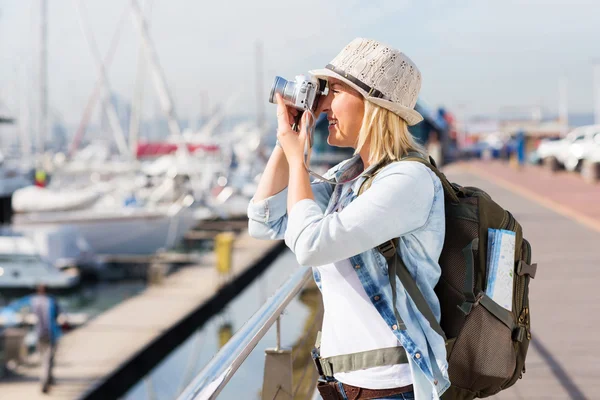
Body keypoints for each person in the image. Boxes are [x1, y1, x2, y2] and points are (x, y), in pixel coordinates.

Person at [248, 38, 448, 400]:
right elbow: (266, 221)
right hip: (339, 386)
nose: (324, 107)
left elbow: (310, 244)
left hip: (388, 389)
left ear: (372, 103)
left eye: (335, 91)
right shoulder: (350, 176)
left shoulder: (408, 181)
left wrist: (298, 160)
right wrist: (287, 141)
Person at [5, 285, 62, 393]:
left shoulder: (32, 300)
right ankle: (45, 382)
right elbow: (58, 315)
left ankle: (49, 379)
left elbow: (15, 307)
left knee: (44, 358)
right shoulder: (52, 300)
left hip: (39, 334)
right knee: (48, 359)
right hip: (52, 333)